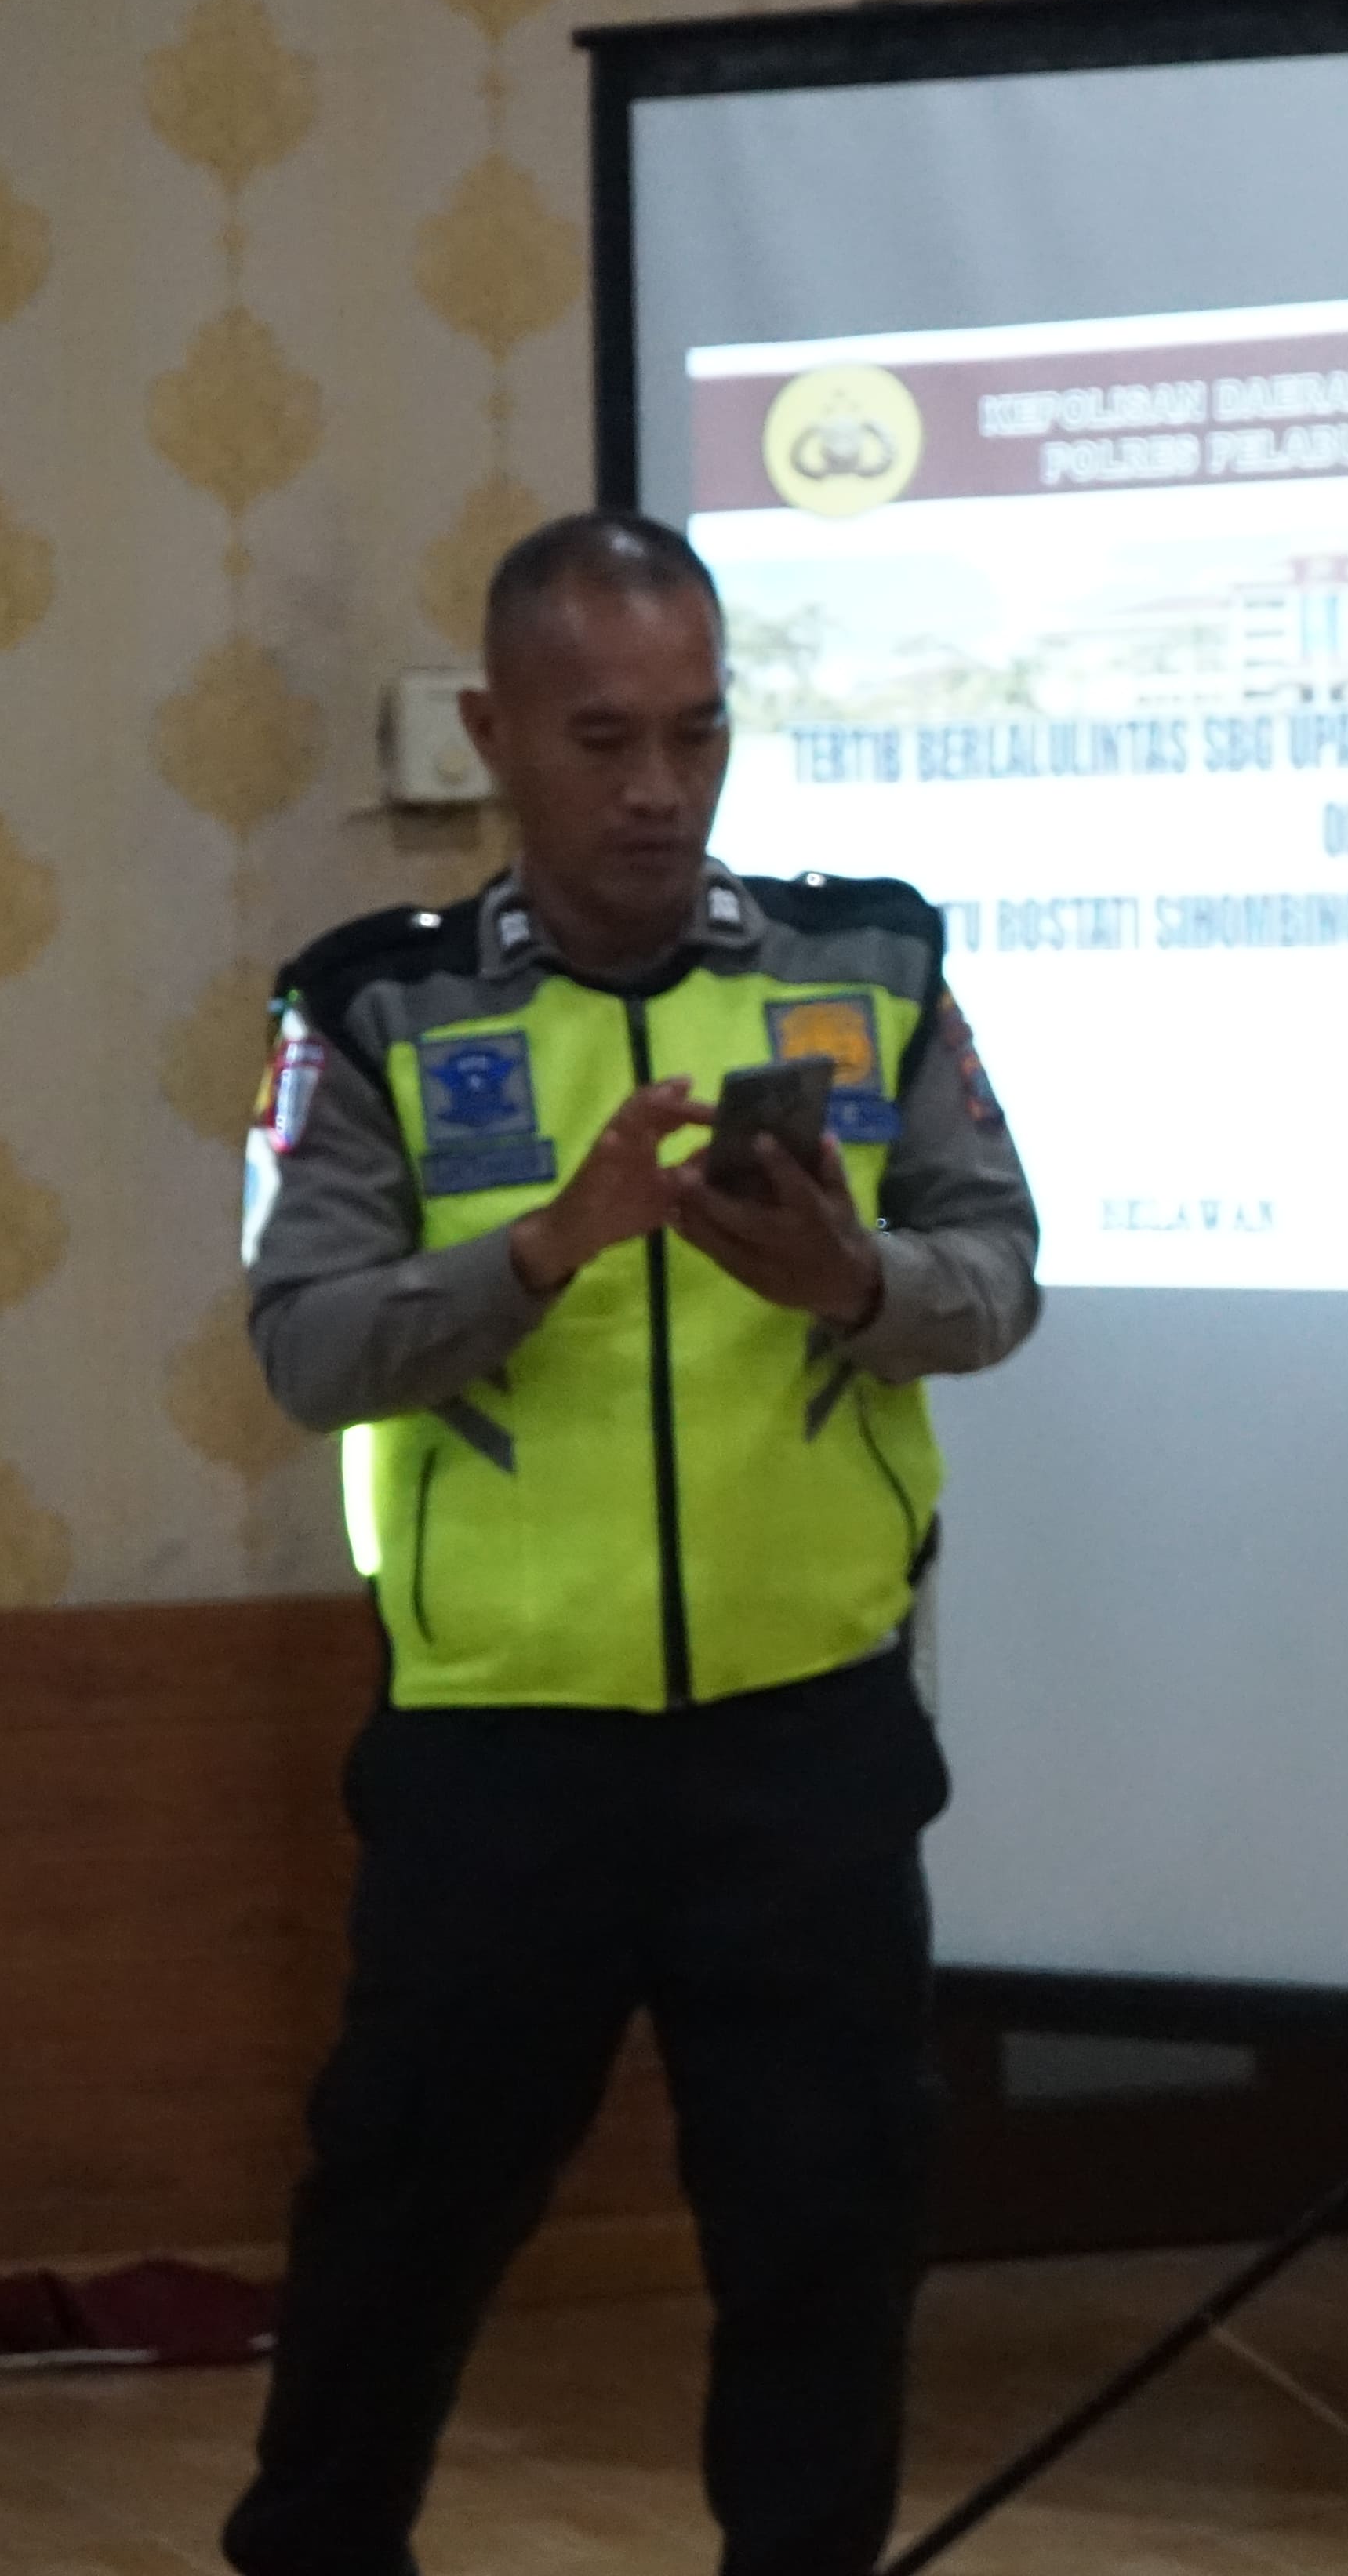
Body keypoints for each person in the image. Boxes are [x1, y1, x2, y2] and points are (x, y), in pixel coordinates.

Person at [225, 510, 1043, 2576]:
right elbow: (307, 1348)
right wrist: (541, 1251)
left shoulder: (871, 968)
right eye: (604, 739)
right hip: (499, 1757)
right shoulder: (371, 1008)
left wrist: (856, 1283)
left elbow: (1000, 1277)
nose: (659, 788)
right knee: (398, 2229)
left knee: (826, 2246)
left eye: (698, 732)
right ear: (496, 733)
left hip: (807, 1746)